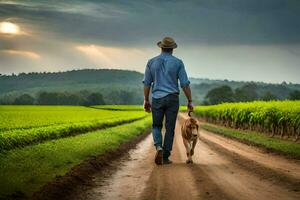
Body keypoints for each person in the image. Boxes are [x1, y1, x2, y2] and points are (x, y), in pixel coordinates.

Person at [143, 36, 193, 165]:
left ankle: (159, 146)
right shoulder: (178, 63)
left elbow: (147, 83)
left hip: (157, 98)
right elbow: (184, 84)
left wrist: (146, 100)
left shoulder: (151, 62)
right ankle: (165, 156)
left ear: (161, 47)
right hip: (172, 98)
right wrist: (190, 101)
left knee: (156, 125)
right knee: (170, 128)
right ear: (172, 49)